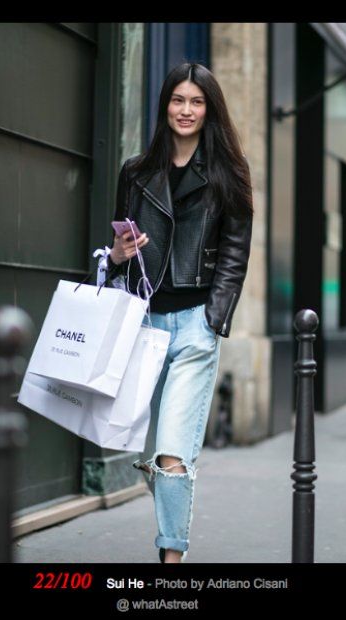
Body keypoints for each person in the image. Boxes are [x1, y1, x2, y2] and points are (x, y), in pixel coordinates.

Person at [105, 63, 254, 563]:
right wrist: (121, 255)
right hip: (144, 325)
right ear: (165, 105)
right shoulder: (136, 171)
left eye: (196, 102)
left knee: (171, 456)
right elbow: (119, 249)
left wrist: (215, 318)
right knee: (153, 454)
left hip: (194, 325)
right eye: (177, 100)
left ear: (208, 108)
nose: (185, 111)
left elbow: (235, 253)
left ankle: (171, 558)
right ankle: (173, 502)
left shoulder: (226, 173)